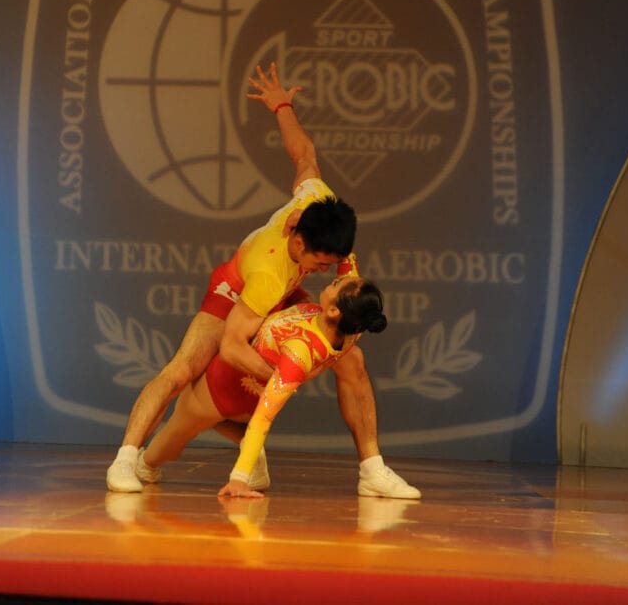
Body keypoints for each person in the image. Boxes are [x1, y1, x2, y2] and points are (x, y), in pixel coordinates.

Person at [107, 63, 417, 499]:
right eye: (319, 263)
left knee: (353, 360)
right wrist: (287, 374)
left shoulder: (319, 202)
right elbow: (232, 347)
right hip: (237, 292)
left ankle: (372, 469)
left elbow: (304, 155)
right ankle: (126, 459)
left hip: (283, 295)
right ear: (297, 240)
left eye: (331, 265)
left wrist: (282, 107)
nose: (324, 271)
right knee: (183, 371)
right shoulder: (270, 273)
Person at [137, 272, 420, 499]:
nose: (334, 279)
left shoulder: (300, 352)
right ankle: (251, 452)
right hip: (241, 384)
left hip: (219, 389)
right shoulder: (352, 329)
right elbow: (350, 271)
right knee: (217, 424)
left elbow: (264, 417)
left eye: (336, 284)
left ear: (334, 310)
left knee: (162, 450)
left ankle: (146, 463)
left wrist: (238, 478)